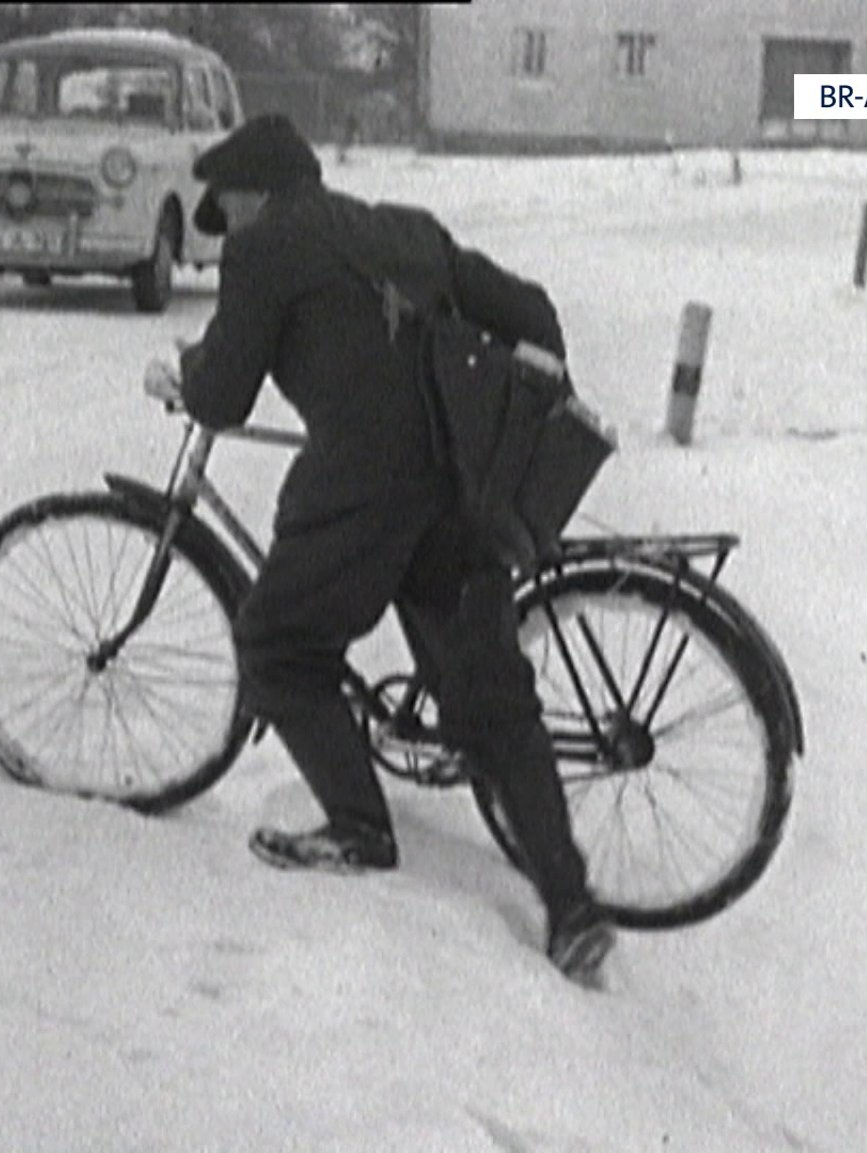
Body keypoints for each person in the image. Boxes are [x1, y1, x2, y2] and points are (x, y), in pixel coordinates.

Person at [169, 114, 619, 989]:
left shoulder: (264, 249)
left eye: (227, 199)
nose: (225, 215)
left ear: (253, 189)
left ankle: (358, 827)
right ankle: (571, 906)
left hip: (366, 488)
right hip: (460, 485)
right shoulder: (396, 226)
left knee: (275, 642)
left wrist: (181, 375)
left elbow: (221, 392)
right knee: (492, 702)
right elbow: (531, 314)